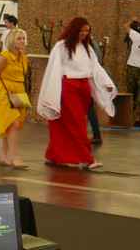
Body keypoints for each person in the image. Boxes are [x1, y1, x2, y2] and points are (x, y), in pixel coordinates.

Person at [38, 17, 117, 170]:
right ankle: (87, 158)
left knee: (71, 123)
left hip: (83, 88)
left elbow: (96, 68)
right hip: (69, 88)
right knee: (75, 124)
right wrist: (53, 93)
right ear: (74, 30)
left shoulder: (87, 48)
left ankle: (55, 155)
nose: (84, 33)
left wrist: (106, 83)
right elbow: (54, 70)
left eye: (87, 31)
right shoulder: (61, 46)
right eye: (81, 30)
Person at [0, 27, 33, 170]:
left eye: (23, 38)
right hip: (3, 93)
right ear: (11, 40)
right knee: (12, 123)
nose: (22, 41)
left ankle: (2, 156)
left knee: (10, 125)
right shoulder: (4, 56)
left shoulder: (23, 57)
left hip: (18, 93)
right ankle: (14, 157)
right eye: (19, 38)